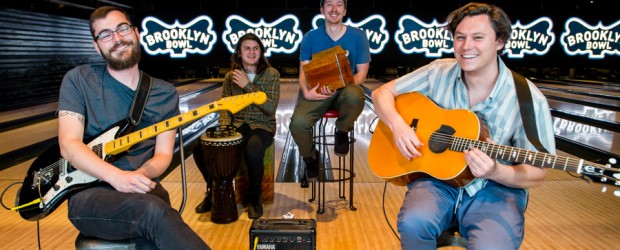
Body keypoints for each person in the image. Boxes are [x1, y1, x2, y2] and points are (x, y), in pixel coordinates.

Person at [371, 3, 556, 249]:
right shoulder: (438, 72)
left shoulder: (528, 99)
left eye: (478, 38)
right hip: (437, 180)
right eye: (460, 37)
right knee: (414, 223)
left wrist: (494, 171)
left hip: (496, 188)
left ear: (499, 42)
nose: (466, 46)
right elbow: (382, 93)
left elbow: (539, 171)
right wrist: (398, 126)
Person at [57, 6, 210, 249]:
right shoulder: (78, 80)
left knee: (152, 215)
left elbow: (162, 155)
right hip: (90, 192)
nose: (117, 39)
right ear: (97, 46)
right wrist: (117, 177)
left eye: (122, 28)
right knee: (151, 212)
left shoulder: (164, 93)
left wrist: (139, 176)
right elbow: (69, 144)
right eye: (105, 34)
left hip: (142, 187)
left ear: (136, 33)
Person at [194, 33, 280, 219]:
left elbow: (270, 108)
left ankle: (254, 199)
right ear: (239, 53)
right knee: (200, 149)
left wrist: (248, 85)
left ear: (261, 52)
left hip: (262, 125)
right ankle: (213, 193)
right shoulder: (229, 78)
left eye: (256, 48)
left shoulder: (272, 75)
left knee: (253, 149)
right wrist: (224, 130)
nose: (251, 52)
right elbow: (224, 106)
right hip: (238, 125)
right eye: (247, 48)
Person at [289, 0, 371, 180]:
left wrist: (339, 85)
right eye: (329, 5)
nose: (334, 9)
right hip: (317, 91)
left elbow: (361, 74)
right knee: (297, 124)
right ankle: (310, 157)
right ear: (321, 10)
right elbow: (303, 71)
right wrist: (306, 91)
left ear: (345, 10)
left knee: (356, 95)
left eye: (339, 4)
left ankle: (342, 130)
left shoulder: (358, 36)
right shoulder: (310, 37)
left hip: (344, 90)